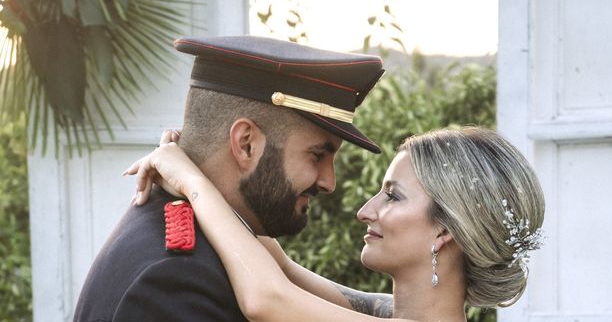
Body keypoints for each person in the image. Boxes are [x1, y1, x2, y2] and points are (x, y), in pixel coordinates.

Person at [73, 35, 385, 322]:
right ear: (246, 144)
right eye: (317, 155)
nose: (328, 182)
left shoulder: (205, 256)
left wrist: (195, 184)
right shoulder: (179, 278)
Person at [126, 126, 546, 322]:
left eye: (393, 196)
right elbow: (277, 263)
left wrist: (191, 179)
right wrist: (204, 159)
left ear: (444, 231)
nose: (366, 209)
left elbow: (266, 298)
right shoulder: (389, 313)